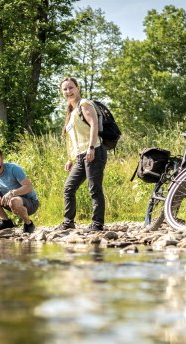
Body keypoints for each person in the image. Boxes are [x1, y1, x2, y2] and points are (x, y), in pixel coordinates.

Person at [57, 77, 108, 231]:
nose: (68, 91)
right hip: (80, 157)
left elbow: (93, 125)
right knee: (68, 188)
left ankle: (97, 224)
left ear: (77, 88)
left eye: (71, 88)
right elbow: (74, 140)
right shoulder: (71, 112)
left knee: (94, 189)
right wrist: (70, 159)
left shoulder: (84, 104)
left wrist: (92, 147)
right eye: (65, 89)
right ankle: (68, 222)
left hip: (94, 151)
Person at [0, 147, 39, 233]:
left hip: (30, 203)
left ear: (2, 159)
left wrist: (12, 193)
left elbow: (29, 187)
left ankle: (28, 224)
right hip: (9, 201)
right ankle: (6, 222)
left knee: (13, 201)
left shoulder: (13, 169)